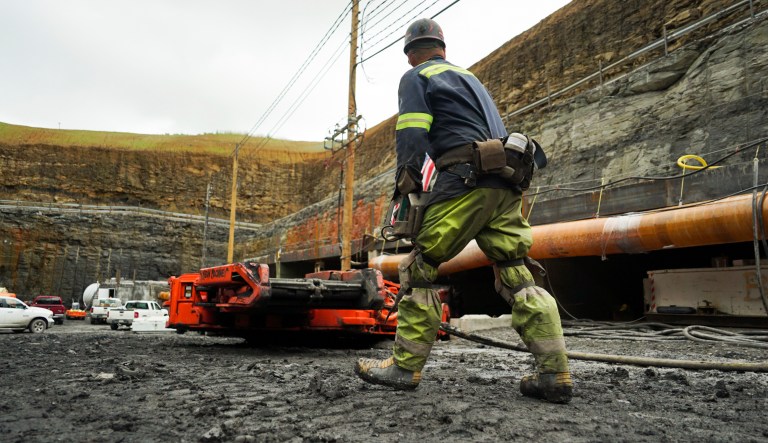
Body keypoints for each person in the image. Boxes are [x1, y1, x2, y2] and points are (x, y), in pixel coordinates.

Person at [355, 18, 573, 404]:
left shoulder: (416, 77)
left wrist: (408, 183)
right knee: (517, 274)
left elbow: (412, 130)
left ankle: (405, 368)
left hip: (465, 181)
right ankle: (554, 374)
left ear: (410, 53)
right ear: (442, 47)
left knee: (418, 269)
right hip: (505, 182)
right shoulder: (470, 79)